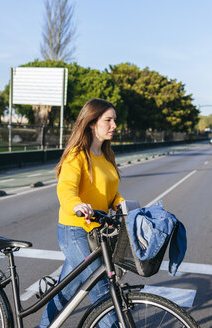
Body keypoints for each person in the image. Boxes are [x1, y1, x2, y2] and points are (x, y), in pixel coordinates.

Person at [40, 98, 125, 327]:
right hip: (75, 230)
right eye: (108, 120)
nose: (114, 125)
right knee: (102, 291)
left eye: (114, 120)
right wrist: (77, 204)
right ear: (91, 123)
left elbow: (111, 194)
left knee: (64, 293)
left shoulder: (107, 155)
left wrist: (122, 204)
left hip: (97, 233)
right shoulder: (77, 154)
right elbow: (66, 188)